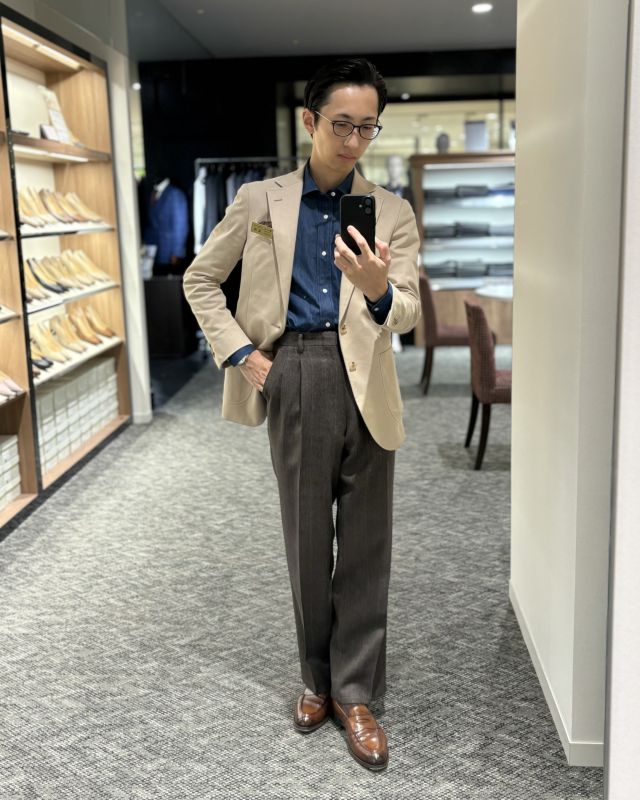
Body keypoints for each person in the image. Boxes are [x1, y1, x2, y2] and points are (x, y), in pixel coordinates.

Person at [183, 57, 420, 772]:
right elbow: (201, 279)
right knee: (307, 539)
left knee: (368, 544)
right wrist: (243, 356)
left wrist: (378, 290)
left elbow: (406, 311)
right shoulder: (260, 199)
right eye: (341, 124)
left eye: (368, 128)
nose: (353, 142)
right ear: (311, 120)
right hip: (295, 370)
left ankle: (356, 694)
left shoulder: (392, 210)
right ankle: (316, 678)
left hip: (368, 378)